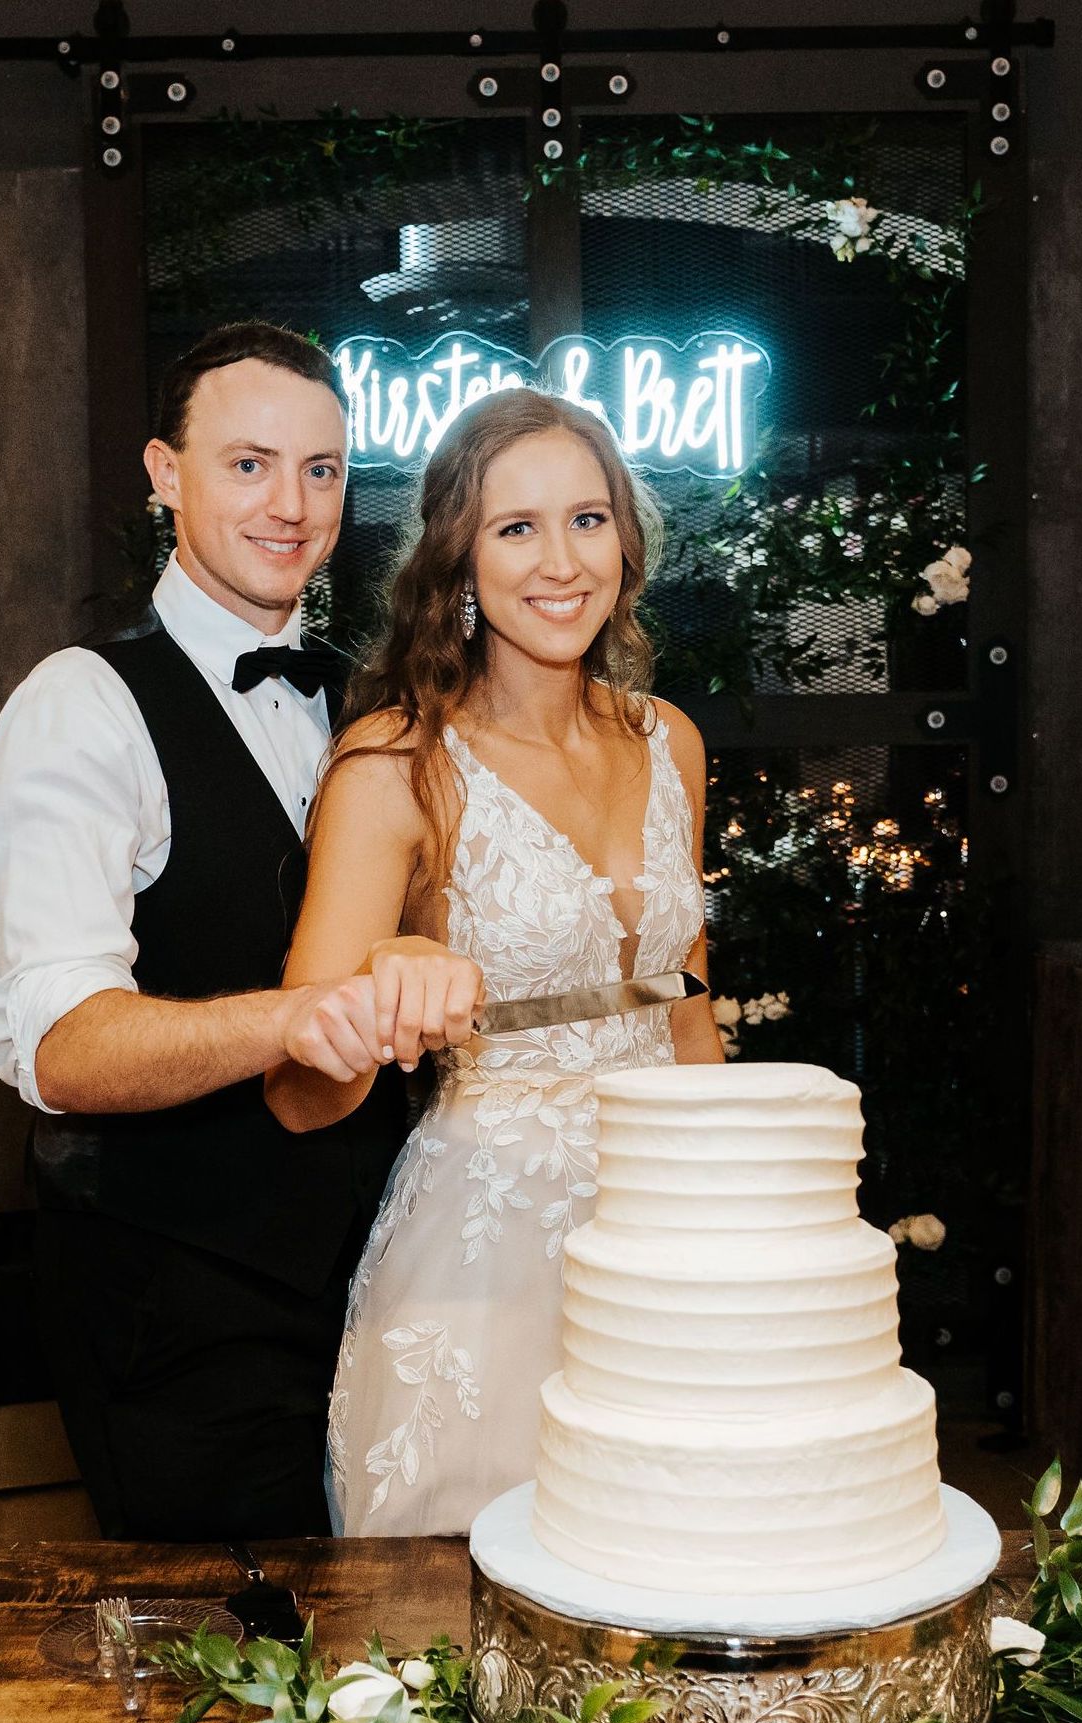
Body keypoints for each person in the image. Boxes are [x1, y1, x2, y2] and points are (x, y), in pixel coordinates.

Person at [0, 320, 460, 1542]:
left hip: (387, 1281)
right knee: (247, 1696)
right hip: (178, 1306)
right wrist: (294, 1018)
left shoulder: (372, 702)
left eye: (323, 470)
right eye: (248, 464)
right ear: (163, 474)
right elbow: (58, 1045)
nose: (291, 504)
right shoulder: (80, 707)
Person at [266, 387, 723, 1535]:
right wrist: (379, 997)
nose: (559, 559)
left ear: (626, 536)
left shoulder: (669, 739)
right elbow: (301, 1092)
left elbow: (687, 1004)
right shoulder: (395, 763)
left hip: (675, 1248)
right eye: (515, 528)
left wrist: (747, 1216)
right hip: (488, 1261)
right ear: (459, 560)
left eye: (586, 518)